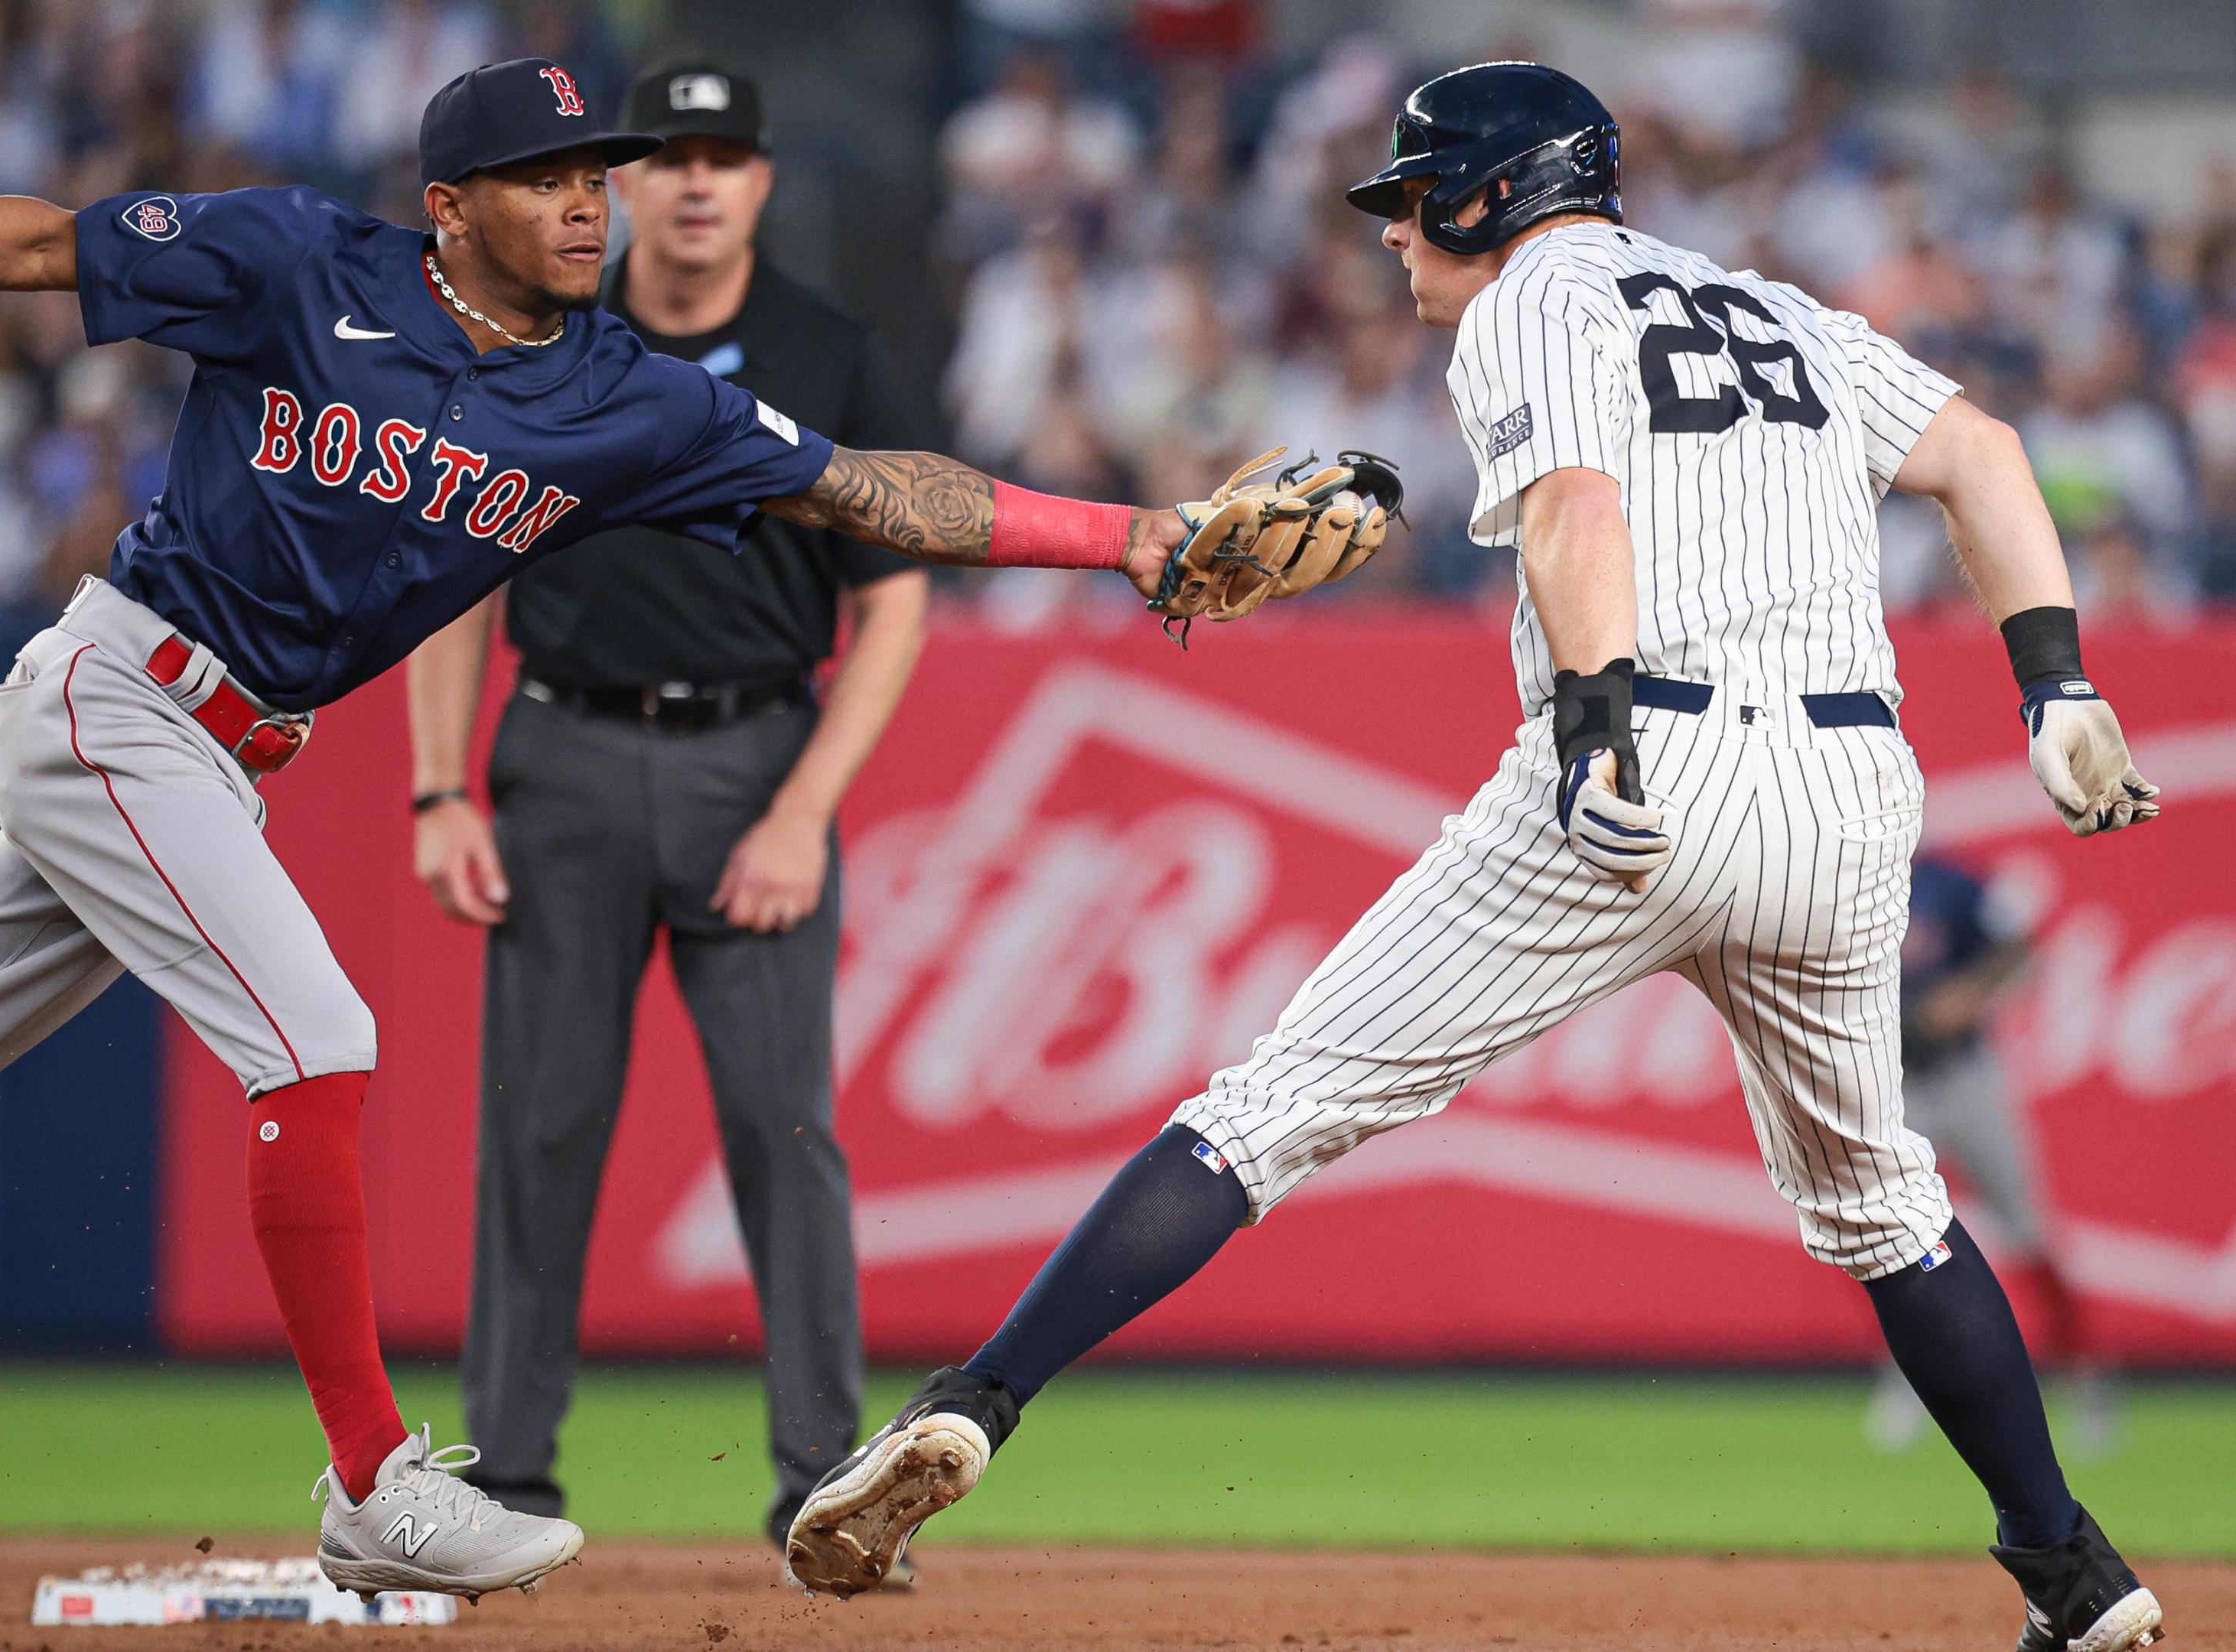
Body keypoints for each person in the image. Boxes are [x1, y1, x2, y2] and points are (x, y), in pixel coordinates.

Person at [0, 57, 1282, 1603]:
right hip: (123, 691)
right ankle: (374, 1481)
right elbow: (50, 244)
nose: (592, 199)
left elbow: (878, 490)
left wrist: (1122, 538)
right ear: (452, 208)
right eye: (550, 178)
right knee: (322, 1037)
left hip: (216, 741)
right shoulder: (303, 265)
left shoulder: (627, 397)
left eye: (598, 173)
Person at [783, 62, 2170, 1652]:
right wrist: (2058, 678)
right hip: (1853, 787)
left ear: (1492, 195)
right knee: (1880, 1204)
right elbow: (1985, 452)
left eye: (1407, 198)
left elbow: (1582, 506)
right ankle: (2075, 1576)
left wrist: (1593, 739)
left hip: (1649, 745)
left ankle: (974, 1406)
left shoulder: (1531, 298)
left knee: (1271, 1111)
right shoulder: (1775, 306)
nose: (1390, 232)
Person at [403, 60, 931, 1570]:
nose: (697, 182)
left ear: (763, 183)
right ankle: (504, 1479)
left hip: (755, 756)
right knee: (539, 1132)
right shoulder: (539, 340)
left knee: (787, 1139)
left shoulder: (832, 354)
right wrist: (442, 786)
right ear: (629, 185)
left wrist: (804, 810)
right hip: (561, 755)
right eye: (670, 157)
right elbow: (460, 576)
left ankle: (824, 1480)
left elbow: (891, 608)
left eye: (727, 157)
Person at [1866, 855, 2118, 1458]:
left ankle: (2084, 1384)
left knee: (2027, 1231)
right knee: (1889, 1241)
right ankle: (1909, 1385)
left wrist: (1971, 992)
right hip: (1894, 1081)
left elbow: (2020, 948)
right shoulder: (1842, 876)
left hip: (1966, 1077)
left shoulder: (1948, 882)